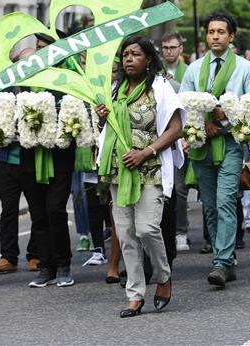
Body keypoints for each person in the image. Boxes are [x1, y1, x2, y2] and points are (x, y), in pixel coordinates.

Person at [95, 36, 185, 317]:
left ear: (148, 59)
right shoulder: (114, 90)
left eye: (135, 54)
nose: (128, 59)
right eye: (124, 55)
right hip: (118, 171)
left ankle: (163, 275)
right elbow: (108, 129)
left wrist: (146, 152)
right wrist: (101, 117)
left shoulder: (160, 87)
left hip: (149, 169)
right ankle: (134, 294)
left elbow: (176, 128)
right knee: (126, 234)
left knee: (147, 229)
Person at [179, 12, 250, 286]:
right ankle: (221, 255)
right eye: (211, 31)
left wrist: (222, 121)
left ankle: (223, 262)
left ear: (231, 36)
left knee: (226, 200)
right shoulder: (193, 68)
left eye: (221, 32)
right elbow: (184, 107)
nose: (215, 36)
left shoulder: (245, 69)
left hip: (230, 144)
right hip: (201, 143)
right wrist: (203, 124)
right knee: (211, 206)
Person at [23, 35, 78, 289]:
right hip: (31, 155)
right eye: (38, 48)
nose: (41, 52)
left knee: (55, 209)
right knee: (38, 213)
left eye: (46, 49)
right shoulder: (26, 81)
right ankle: (46, 267)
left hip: (59, 155)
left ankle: (63, 263)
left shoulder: (67, 80)